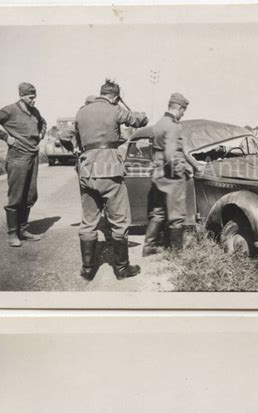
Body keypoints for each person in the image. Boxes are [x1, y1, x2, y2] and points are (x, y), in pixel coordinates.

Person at [74, 80, 149, 280]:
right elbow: (139, 120)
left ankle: (88, 270)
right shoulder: (115, 109)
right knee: (119, 220)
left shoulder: (81, 112)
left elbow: (77, 139)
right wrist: (141, 115)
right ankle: (122, 268)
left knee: (89, 221)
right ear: (115, 97)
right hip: (109, 170)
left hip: (87, 170)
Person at [0, 82, 47, 247]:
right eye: (31, 97)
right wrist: (6, 137)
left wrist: (41, 133)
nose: (34, 100)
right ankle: (12, 234)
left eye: (35, 97)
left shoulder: (34, 111)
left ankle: (23, 230)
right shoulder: (9, 110)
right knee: (16, 196)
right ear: (22, 96)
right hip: (17, 157)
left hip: (33, 156)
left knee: (31, 195)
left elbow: (43, 123)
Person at [142, 93, 194, 256]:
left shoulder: (159, 124)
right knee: (177, 214)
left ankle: (148, 246)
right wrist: (181, 170)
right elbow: (171, 154)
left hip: (158, 173)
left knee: (158, 211)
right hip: (171, 174)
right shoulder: (173, 125)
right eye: (183, 110)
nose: (183, 114)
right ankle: (177, 253)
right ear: (178, 107)